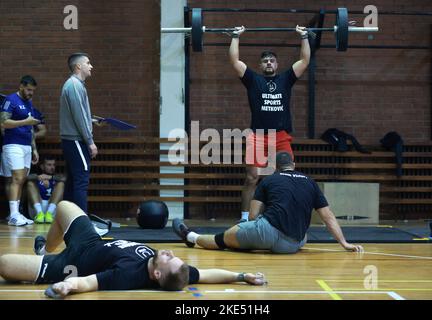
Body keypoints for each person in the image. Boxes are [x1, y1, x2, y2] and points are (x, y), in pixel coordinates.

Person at [0, 201, 267, 299]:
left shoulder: (128, 274)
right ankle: (44, 250)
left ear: (158, 276)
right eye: (172, 256)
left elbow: (89, 283)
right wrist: (241, 276)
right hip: (91, 242)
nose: (170, 254)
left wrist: (66, 287)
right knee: (64, 206)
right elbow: (207, 275)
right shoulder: (176, 271)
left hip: (70, 265)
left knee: (5, 263)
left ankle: (46, 260)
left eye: (169, 260)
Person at [173, 151, 364, 254]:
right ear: (294, 165)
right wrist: (345, 243)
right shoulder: (311, 182)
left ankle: (190, 237)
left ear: (275, 167)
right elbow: (328, 217)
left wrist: (244, 229)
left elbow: (253, 215)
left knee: (222, 239)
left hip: (267, 233)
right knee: (300, 235)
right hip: (294, 244)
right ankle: (253, 242)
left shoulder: (270, 180)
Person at [229, 26, 311, 223]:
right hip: (257, 136)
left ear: (276, 64)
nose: (268, 63)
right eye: (265, 61)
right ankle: (244, 219)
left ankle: (281, 216)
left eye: (272, 60)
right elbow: (234, 61)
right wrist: (235, 36)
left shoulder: (286, 79)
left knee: (287, 176)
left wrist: (305, 36)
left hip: (281, 136)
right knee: (252, 178)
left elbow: (305, 60)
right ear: (260, 65)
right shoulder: (253, 80)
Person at [59, 52, 99, 214]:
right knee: (81, 181)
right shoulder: (74, 85)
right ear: (78, 66)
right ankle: (81, 225)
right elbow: (79, 116)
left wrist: (94, 121)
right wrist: (90, 141)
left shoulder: (75, 85)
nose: (91, 66)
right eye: (88, 63)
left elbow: (80, 114)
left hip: (72, 140)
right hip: (76, 140)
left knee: (72, 182)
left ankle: (67, 220)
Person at [0, 75, 41, 226]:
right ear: (21, 86)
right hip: (13, 144)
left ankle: (17, 213)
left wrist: (34, 148)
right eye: (29, 89)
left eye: (33, 91)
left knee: (22, 179)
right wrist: (25, 121)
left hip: (26, 145)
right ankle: (13, 215)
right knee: (16, 178)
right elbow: (3, 122)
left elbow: (30, 128)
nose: (31, 93)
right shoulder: (10, 100)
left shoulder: (29, 102)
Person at [27, 155, 66, 224]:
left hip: (52, 210)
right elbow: (24, 177)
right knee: (30, 183)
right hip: (36, 210)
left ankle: (49, 213)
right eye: (49, 165)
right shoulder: (37, 177)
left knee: (61, 184)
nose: (52, 167)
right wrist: (37, 177)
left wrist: (50, 177)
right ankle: (39, 213)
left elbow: (65, 178)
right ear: (42, 166)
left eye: (54, 165)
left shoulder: (57, 177)